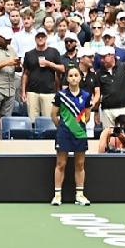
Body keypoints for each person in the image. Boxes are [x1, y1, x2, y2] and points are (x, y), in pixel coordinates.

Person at [50, 66, 92, 206]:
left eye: (76, 75)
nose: (73, 78)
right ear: (67, 78)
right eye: (71, 76)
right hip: (64, 134)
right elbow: (53, 115)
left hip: (79, 134)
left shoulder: (86, 96)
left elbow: (87, 116)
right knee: (61, 164)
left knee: (80, 164)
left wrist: (77, 127)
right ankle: (57, 195)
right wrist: (63, 127)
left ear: (80, 78)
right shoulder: (60, 96)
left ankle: (80, 195)